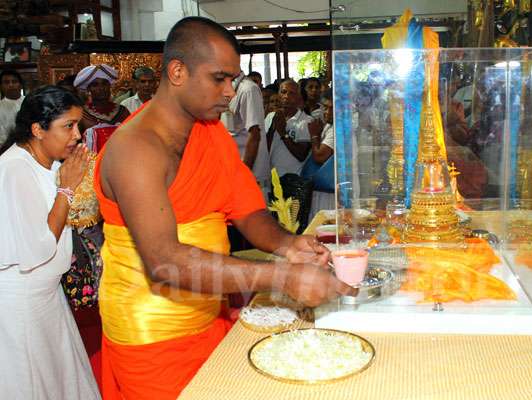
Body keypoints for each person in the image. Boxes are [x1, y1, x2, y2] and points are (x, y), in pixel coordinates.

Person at [95, 17, 355, 400]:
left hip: (209, 313)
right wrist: (281, 278)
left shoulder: (209, 131)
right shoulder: (135, 148)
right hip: (151, 334)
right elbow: (166, 262)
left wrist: (287, 245)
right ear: (178, 72)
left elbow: (247, 211)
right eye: (219, 78)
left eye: (232, 80)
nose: (230, 92)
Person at [0, 85, 100, 399]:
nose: (77, 134)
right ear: (37, 129)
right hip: (22, 300)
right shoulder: (15, 168)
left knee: (60, 379)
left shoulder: (52, 164)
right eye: (68, 126)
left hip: (47, 294)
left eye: (78, 125)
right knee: (31, 381)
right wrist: (66, 190)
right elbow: (39, 247)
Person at [226, 71, 271, 199]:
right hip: (234, 179)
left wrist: (242, 178)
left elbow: (255, 135)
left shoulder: (248, 90)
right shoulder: (227, 88)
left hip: (250, 181)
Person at [265, 79, 312, 176]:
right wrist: (273, 127)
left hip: (292, 181)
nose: (286, 96)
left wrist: (283, 133)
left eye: (292, 93)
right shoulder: (271, 116)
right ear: (278, 94)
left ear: (298, 97)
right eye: (283, 92)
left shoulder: (306, 121)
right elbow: (265, 148)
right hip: (271, 178)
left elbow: (301, 155)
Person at [74, 64, 130, 132]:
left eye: (104, 83)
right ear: (88, 89)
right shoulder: (81, 114)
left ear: (110, 86)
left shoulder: (123, 111)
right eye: (95, 85)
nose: (101, 88)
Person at [307, 89, 335, 220]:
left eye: (332, 108)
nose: (327, 112)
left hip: (331, 193)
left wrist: (314, 135)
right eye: (325, 107)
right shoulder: (328, 126)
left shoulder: (335, 130)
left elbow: (319, 156)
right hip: (325, 191)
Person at [0, 70, 25, 147]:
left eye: (14, 81)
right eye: (6, 82)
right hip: (7, 148)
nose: (11, 85)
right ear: (1, 86)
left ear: (21, 85)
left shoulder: (30, 102)